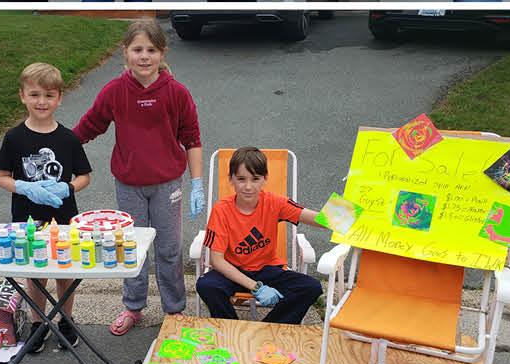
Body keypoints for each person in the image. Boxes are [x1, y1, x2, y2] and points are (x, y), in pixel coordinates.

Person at [72, 20, 202, 337]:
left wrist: (197, 182)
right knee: (131, 248)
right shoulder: (115, 91)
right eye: (137, 49)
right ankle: (133, 305)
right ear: (125, 52)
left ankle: (175, 310)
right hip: (129, 185)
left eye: (151, 50)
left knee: (169, 249)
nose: (144, 57)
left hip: (167, 185)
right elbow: (88, 127)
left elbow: (192, 139)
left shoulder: (176, 93)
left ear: (162, 53)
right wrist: (55, 146)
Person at [0, 62, 91, 352]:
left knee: (64, 269)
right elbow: (2, 178)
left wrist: (68, 187)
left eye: (49, 95)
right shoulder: (14, 138)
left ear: (59, 98)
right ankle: (39, 323)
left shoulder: (68, 137)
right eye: (35, 95)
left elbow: (85, 175)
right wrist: (24, 186)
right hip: (27, 218)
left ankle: (66, 320)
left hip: (62, 216)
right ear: (22, 95)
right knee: (35, 272)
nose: (41, 102)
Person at [198, 148, 333, 325]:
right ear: (231, 179)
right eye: (241, 179)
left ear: (265, 179)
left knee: (311, 287)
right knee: (206, 285)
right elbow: (217, 260)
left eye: (255, 179)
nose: (248, 186)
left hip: (266, 269)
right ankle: (231, 328)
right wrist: (256, 287)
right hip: (233, 271)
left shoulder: (275, 203)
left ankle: (269, 328)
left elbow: (317, 218)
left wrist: (351, 213)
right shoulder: (221, 210)